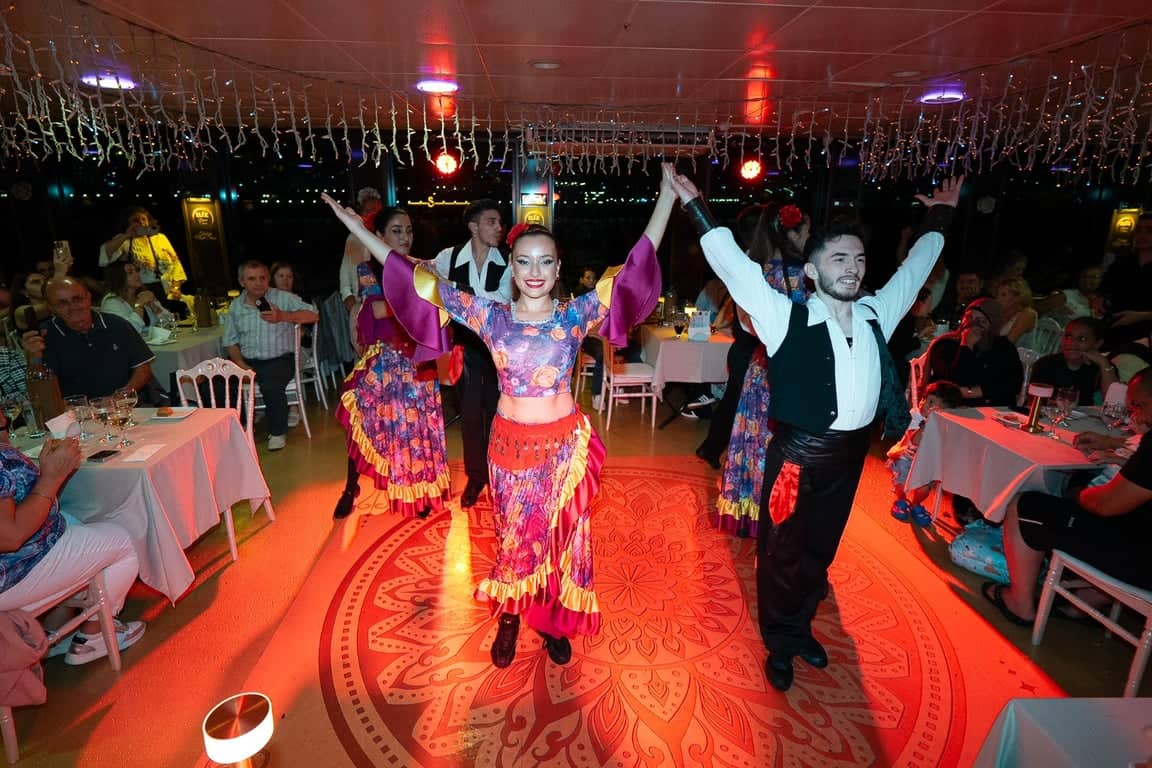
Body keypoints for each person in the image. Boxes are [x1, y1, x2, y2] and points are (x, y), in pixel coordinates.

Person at [321, 163, 671, 669]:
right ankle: (510, 616)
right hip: (509, 448)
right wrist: (358, 228)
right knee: (513, 537)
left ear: (557, 268)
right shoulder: (493, 316)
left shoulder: (574, 315)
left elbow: (637, 265)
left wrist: (665, 197)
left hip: (563, 451)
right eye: (524, 261)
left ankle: (550, 621)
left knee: (559, 538)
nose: (534, 271)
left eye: (545, 262)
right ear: (513, 264)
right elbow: (418, 281)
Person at [668, 168, 962, 692]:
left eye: (858, 259)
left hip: (848, 460)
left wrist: (939, 217)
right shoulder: (785, 317)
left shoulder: (876, 313)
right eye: (838, 259)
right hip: (796, 460)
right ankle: (780, 640)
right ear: (811, 271)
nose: (851, 269)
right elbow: (736, 269)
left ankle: (801, 628)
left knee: (819, 553)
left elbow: (916, 270)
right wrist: (695, 208)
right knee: (781, 554)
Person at [983, 368, 1152, 627]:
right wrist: (1111, 443)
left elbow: (1105, 505)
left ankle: (1019, 603)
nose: (1136, 415)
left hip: (1141, 563)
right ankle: (1082, 602)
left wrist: (1076, 497)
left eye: (1138, 406)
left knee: (1025, 504)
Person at [332, 207, 450, 520]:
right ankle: (351, 486)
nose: (405, 237)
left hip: (417, 362)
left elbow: (435, 305)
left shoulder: (421, 267)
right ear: (379, 237)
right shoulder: (368, 269)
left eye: (408, 230)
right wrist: (419, 302)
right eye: (396, 231)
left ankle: (420, 492)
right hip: (386, 363)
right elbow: (379, 310)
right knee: (363, 422)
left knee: (417, 429)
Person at [0, 411, 145, 665]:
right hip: (13, 573)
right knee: (126, 540)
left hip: (31, 548)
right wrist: (51, 477)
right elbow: (10, 537)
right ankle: (92, 637)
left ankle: (53, 632)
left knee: (79, 522)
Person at [710, 205, 811, 537]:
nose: (809, 236)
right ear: (792, 233)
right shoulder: (800, 276)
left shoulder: (759, 272)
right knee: (779, 446)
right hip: (787, 372)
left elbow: (745, 326)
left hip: (759, 368)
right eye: (806, 230)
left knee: (754, 441)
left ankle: (747, 509)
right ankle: (776, 514)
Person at [432, 199, 510, 508]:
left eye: (500, 222)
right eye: (492, 222)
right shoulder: (447, 257)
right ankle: (477, 477)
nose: (499, 228)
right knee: (470, 417)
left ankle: (499, 474)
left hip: (496, 352)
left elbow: (499, 302)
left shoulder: (506, 261)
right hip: (464, 350)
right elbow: (422, 273)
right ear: (473, 226)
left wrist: (454, 288)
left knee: (497, 416)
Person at [221, 261, 319, 451]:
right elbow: (230, 341)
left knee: (271, 384)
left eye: (262, 278)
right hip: (247, 359)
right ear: (242, 282)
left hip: (279, 358)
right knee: (218, 380)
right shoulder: (236, 306)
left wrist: (282, 316)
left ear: (268, 279)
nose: (258, 283)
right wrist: (240, 364)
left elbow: (314, 315)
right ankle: (236, 429)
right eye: (252, 279)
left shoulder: (282, 298)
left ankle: (277, 432)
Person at [21, 278, 158, 401]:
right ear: (51, 308)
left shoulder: (116, 324)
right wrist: (34, 358)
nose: (73, 307)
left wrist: (120, 397)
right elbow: (39, 392)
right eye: (62, 303)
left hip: (124, 405)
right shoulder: (43, 337)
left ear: (88, 298)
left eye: (77, 299)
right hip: (73, 414)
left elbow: (142, 368)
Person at [886, 381, 964, 526]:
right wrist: (927, 424)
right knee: (902, 476)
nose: (925, 405)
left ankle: (916, 504)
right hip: (905, 454)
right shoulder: (914, 417)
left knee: (925, 487)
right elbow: (913, 442)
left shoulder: (946, 425)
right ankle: (901, 499)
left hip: (927, 462)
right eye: (925, 400)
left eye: (932, 404)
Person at [926, 297, 1023, 407]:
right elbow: (953, 383)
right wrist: (966, 346)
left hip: (991, 410)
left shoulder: (1003, 347)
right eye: (969, 318)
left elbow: (1012, 384)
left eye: (981, 321)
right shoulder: (945, 344)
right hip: (952, 410)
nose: (973, 325)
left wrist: (971, 392)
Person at [98, 206, 187, 301]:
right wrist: (127, 235)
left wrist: (176, 288)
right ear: (128, 223)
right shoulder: (125, 240)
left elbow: (176, 265)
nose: (141, 222)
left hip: (168, 291)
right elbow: (105, 256)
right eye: (135, 220)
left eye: (144, 219)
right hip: (141, 293)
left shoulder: (160, 238)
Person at [1030, 317, 1120, 405]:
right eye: (1068, 336)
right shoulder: (1045, 364)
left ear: (1097, 343)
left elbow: (1114, 405)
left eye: (1082, 339)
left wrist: (1104, 364)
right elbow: (1033, 402)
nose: (1072, 342)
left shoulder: (1104, 368)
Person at [338, 187, 384, 318]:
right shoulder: (353, 238)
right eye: (368, 211)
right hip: (360, 304)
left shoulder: (387, 237)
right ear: (361, 213)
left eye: (376, 211)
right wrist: (348, 296)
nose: (372, 215)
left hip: (385, 303)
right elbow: (345, 271)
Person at [99, 261, 175, 337]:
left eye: (137, 270)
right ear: (118, 277)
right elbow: (128, 331)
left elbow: (171, 323)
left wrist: (156, 309)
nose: (137, 275)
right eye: (130, 272)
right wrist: (139, 305)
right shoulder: (111, 302)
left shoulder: (142, 295)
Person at [994, 277, 1038, 346]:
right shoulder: (1000, 313)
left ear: (1017, 298)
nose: (997, 299)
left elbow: (1008, 344)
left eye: (1003, 295)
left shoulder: (1027, 314)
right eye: (997, 295)